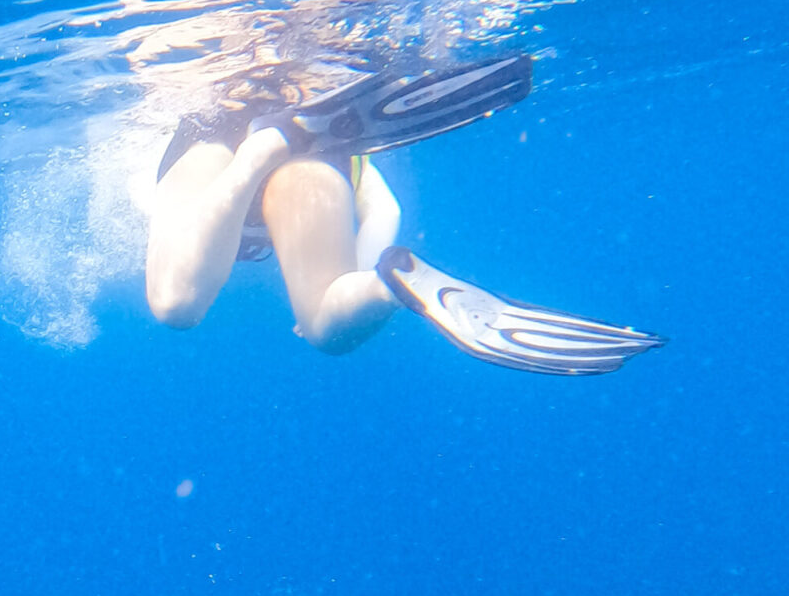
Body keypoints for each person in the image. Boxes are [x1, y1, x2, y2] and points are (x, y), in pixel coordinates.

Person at [143, 53, 664, 374]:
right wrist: (352, 278)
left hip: (211, 142)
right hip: (314, 161)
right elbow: (383, 208)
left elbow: (162, 208)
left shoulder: (140, 155)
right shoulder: (345, 161)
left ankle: (260, 154)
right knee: (325, 328)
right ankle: (387, 284)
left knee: (177, 305)